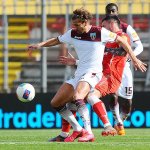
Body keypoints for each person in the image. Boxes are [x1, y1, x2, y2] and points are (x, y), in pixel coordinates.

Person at [28, 8, 146, 142]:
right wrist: (39, 45)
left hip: (94, 73)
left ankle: (91, 132)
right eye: (74, 25)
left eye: (77, 24)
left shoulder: (99, 32)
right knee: (56, 103)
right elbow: (57, 40)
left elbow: (123, 41)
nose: (75, 27)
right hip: (80, 73)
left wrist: (135, 59)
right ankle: (78, 128)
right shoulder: (73, 33)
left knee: (78, 97)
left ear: (85, 22)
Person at [105, 3, 144, 135]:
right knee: (112, 95)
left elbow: (139, 46)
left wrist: (130, 56)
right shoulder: (102, 28)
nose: (111, 12)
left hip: (124, 67)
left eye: (113, 10)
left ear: (117, 12)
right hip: (109, 67)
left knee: (127, 101)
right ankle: (119, 123)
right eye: (109, 11)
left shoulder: (126, 28)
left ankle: (121, 120)